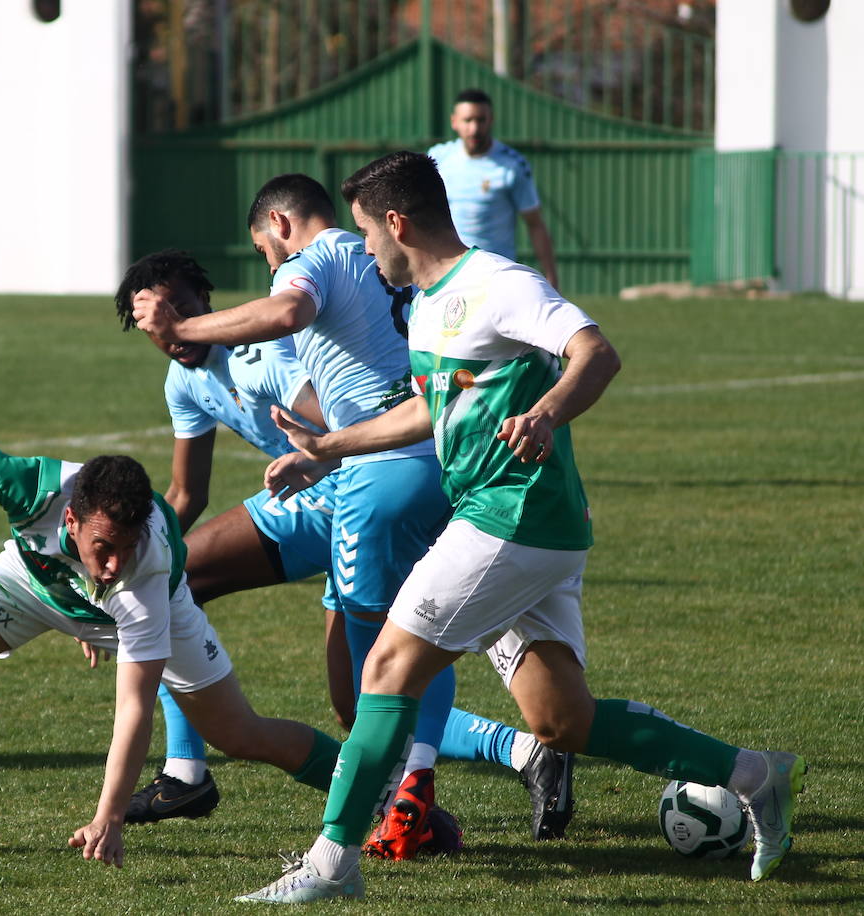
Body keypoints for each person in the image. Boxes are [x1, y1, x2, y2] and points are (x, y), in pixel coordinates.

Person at [236, 150, 805, 902]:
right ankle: (756, 775)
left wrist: (544, 412)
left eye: (367, 233)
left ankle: (331, 863)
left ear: (398, 224)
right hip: (529, 524)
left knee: (386, 668)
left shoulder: (499, 284)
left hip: (511, 517)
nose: (364, 250)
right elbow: (431, 408)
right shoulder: (428, 303)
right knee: (561, 720)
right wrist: (330, 448)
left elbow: (595, 353)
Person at [117, 249, 574, 845]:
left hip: (357, 490)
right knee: (355, 701)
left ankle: (190, 773)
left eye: (181, 308)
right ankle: (521, 752)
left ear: (206, 302)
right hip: (327, 498)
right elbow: (185, 493)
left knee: (185, 578)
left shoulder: (258, 354)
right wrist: (129, 568)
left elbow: (338, 427)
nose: (173, 328)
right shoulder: (183, 381)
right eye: (155, 321)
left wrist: (145, 572)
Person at [131, 174, 468, 861]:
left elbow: (287, 316)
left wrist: (180, 326)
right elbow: (187, 490)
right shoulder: (371, 263)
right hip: (392, 460)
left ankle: (363, 830)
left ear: (280, 225)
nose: (273, 269)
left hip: (375, 477)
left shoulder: (308, 272)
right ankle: (467, 772)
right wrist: (318, 456)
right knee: (369, 679)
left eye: (267, 253)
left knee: (388, 658)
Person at [0, 435, 343, 865]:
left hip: (144, 612)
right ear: (71, 518)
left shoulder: (144, 574)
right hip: (33, 580)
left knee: (241, 734)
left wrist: (109, 817)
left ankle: (375, 790)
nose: (114, 563)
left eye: (126, 545)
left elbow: (134, 708)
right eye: (104, 545)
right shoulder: (33, 486)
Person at [428, 88, 560, 290]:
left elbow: (535, 224)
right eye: (467, 120)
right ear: (454, 122)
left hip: (495, 276)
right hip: (449, 274)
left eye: (481, 120)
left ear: (491, 120)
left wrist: (551, 278)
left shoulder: (512, 165)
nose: (474, 128)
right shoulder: (438, 159)